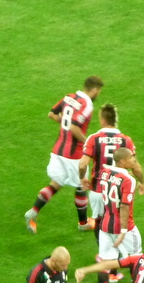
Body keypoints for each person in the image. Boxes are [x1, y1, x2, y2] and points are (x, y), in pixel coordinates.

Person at [25, 76, 104, 234]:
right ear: (95, 89)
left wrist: (65, 124)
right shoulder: (87, 104)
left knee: (56, 183)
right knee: (81, 186)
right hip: (73, 155)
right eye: (99, 91)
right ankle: (83, 223)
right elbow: (74, 127)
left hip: (58, 150)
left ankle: (33, 212)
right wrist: (88, 143)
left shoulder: (69, 97)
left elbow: (52, 114)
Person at [79, 104, 144, 283]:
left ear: (102, 120)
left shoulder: (94, 138)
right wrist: (142, 181)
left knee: (101, 221)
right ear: (115, 119)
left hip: (99, 187)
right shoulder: (126, 141)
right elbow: (136, 166)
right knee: (120, 218)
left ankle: (107, 260)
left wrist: (82, 178)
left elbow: (83, 164)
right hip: (119, 187)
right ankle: (117, 263)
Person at [91, 148, 142, 283]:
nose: (134, 160)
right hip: (124, 227)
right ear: (122, 161)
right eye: (131, 158)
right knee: (136, 260)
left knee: (105, 262)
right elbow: (125, 206)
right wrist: (124, 230)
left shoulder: (105, 172)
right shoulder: (128, 180)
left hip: (105, 224)